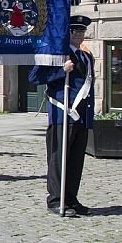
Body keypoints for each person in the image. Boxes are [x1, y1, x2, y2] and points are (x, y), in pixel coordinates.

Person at [29, 15, 95, 217]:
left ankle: (71, 200)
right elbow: (35, 77)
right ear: (67, 33)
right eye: (74, 31)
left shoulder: (86, 57)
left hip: (81, 117)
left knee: (75, 162)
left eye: (81, 31)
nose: (78, 34)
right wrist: (61, 70)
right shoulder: (56, 54)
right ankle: (56, 200)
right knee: (58, 161)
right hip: (62, 116)